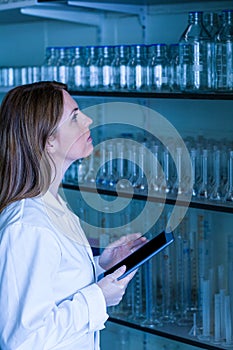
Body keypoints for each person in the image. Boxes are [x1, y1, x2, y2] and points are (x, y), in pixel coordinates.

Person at [0, 81, 146, 350]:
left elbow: (53, 282)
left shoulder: (52, 205)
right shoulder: (28, 226)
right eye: (75, 117)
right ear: (48, 142)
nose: (88, 120)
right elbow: (22, 342)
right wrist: (98, 298)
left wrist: (101, 265)